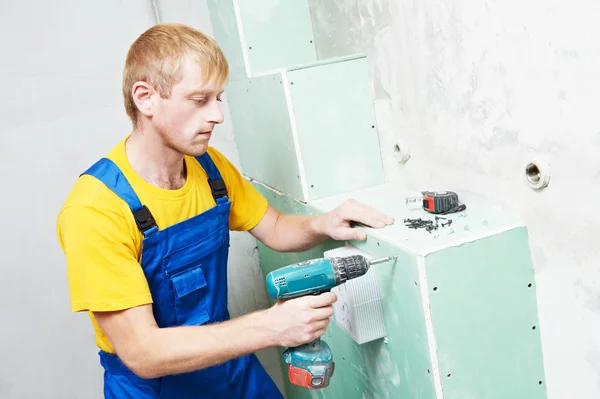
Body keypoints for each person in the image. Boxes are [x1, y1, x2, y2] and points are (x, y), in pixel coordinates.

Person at [56, 23, 394, 399]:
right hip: (155, 388)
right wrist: (270, 328)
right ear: (145, 98)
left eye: (218, 98)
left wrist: (324, 223)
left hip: (231, 369)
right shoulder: (95, 211)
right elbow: (142, 352)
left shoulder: (210, 169)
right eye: (200, 100)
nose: (217, 115)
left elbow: (277, 227)